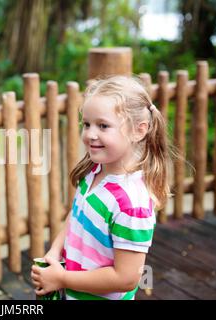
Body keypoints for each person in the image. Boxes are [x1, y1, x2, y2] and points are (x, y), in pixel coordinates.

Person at [31, 75, 171, 300]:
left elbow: (127, 278)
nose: (90, 134)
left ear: (139, 130)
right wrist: (55, 253)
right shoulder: (94, 172)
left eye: (103, 125)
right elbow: (77, 216)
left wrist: (63, 279)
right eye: (87, 124)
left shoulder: (130, 204)